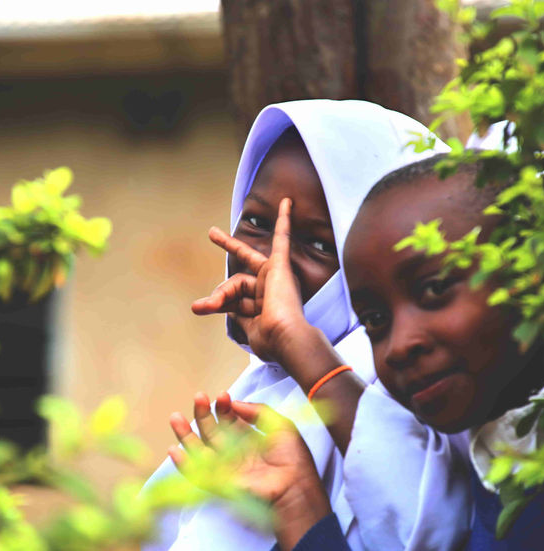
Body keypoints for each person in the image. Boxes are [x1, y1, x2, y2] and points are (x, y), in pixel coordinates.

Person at [177, 154, 544, 550]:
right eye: (374, 320)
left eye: (435, 289)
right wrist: (297, 499)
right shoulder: (497, 460)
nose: (400, 346)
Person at [143, 100, 471, 551]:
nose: (272, 266)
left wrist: (298, 344)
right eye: (256, 222)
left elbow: (425, 531)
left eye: (318, 244)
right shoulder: (259, 394)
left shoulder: (413, 391)